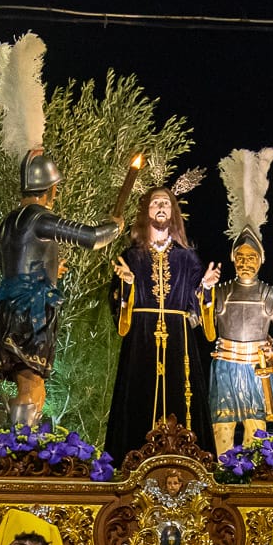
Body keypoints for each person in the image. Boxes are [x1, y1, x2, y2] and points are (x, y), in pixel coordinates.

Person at [0, 33, 121, 428]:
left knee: (25, 382)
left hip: (9, 309)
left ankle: (19, 443)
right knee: (31, 382)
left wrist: (50, 271)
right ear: (51, 188)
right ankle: (21, 453)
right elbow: (92, 238)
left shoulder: (8, 221)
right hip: (33, 311)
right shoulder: (40, 218)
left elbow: (14, 263)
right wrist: (114, 226)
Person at [204, 148, 273, 455]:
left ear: (260, 261)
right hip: (225, 365)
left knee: (256, 428)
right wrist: (202, 298)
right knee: (221, 428)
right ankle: (223, 478)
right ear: (234, 259)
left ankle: (247, 481)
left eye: (251, 257)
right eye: (241, 256)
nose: (245, 261)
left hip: (258, 367)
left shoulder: (271, 296)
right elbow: (200, 321)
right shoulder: (221, 292)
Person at [105, 186, 219, 458]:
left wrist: (205, 286)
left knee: (182, 398)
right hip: (141, 338)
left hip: (178, 338)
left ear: (173, 213)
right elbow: (118, 304)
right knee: (139, 397)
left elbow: (197, 306)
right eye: (155, 203)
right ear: (146, 212)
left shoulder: (188, 257)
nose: (161, 207)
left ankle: (186, 459)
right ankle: (133, 460)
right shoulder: (132, 256)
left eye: (166, 204)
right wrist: (128, 285)